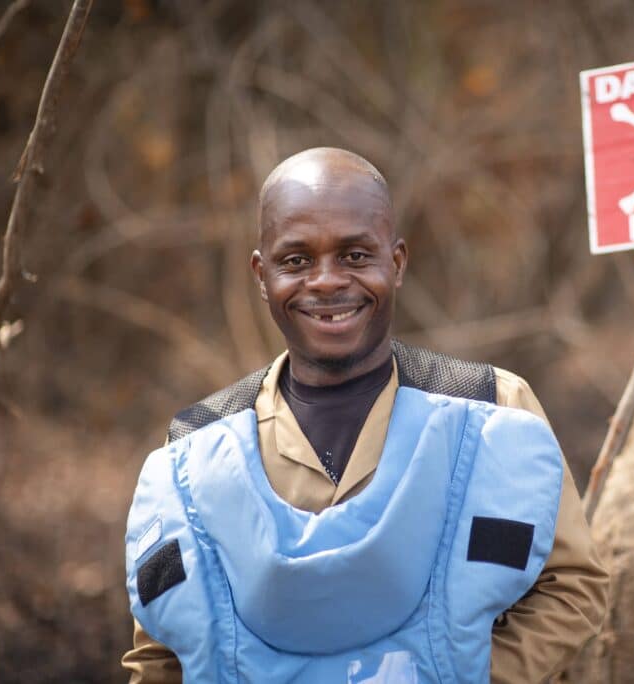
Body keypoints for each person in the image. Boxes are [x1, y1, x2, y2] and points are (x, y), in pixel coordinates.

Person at [121, 147, 608, 683]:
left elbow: (571, 585)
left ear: (396, 263)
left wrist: (469, 675)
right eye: (296, 260)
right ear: (261, 275)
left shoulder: (491, 413)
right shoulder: (196, 450)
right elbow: (162, 653)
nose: (326, 281)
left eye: (354, 256)